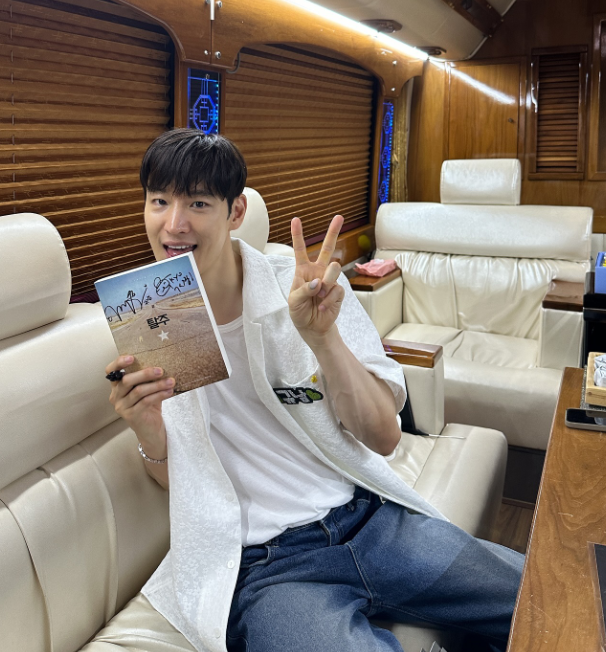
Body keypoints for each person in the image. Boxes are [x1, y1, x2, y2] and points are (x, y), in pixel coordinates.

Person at [105, 128, 523, 652]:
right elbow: (184, 480)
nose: (174, 224)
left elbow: (384, 437)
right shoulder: (153, 313)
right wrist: (148, 430)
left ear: (236, 213)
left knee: (552, 599)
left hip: (368, 520)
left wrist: (323, 340)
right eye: (159, 201)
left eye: (198, 203)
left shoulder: (301, 286)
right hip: (270, 568)